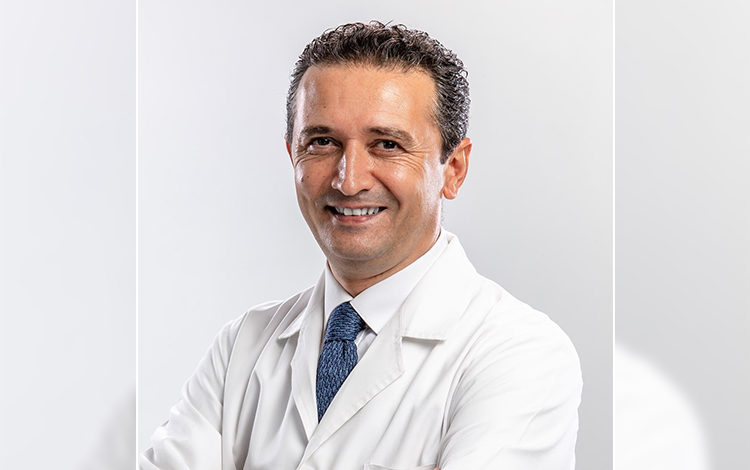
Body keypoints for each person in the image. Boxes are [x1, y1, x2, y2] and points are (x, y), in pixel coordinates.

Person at [141, 21, 582, 470]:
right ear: (293, 156)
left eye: (387, 144)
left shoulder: (520, 353)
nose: (348, 180)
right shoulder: (242, 347)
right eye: (322, 142)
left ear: (454, 169)